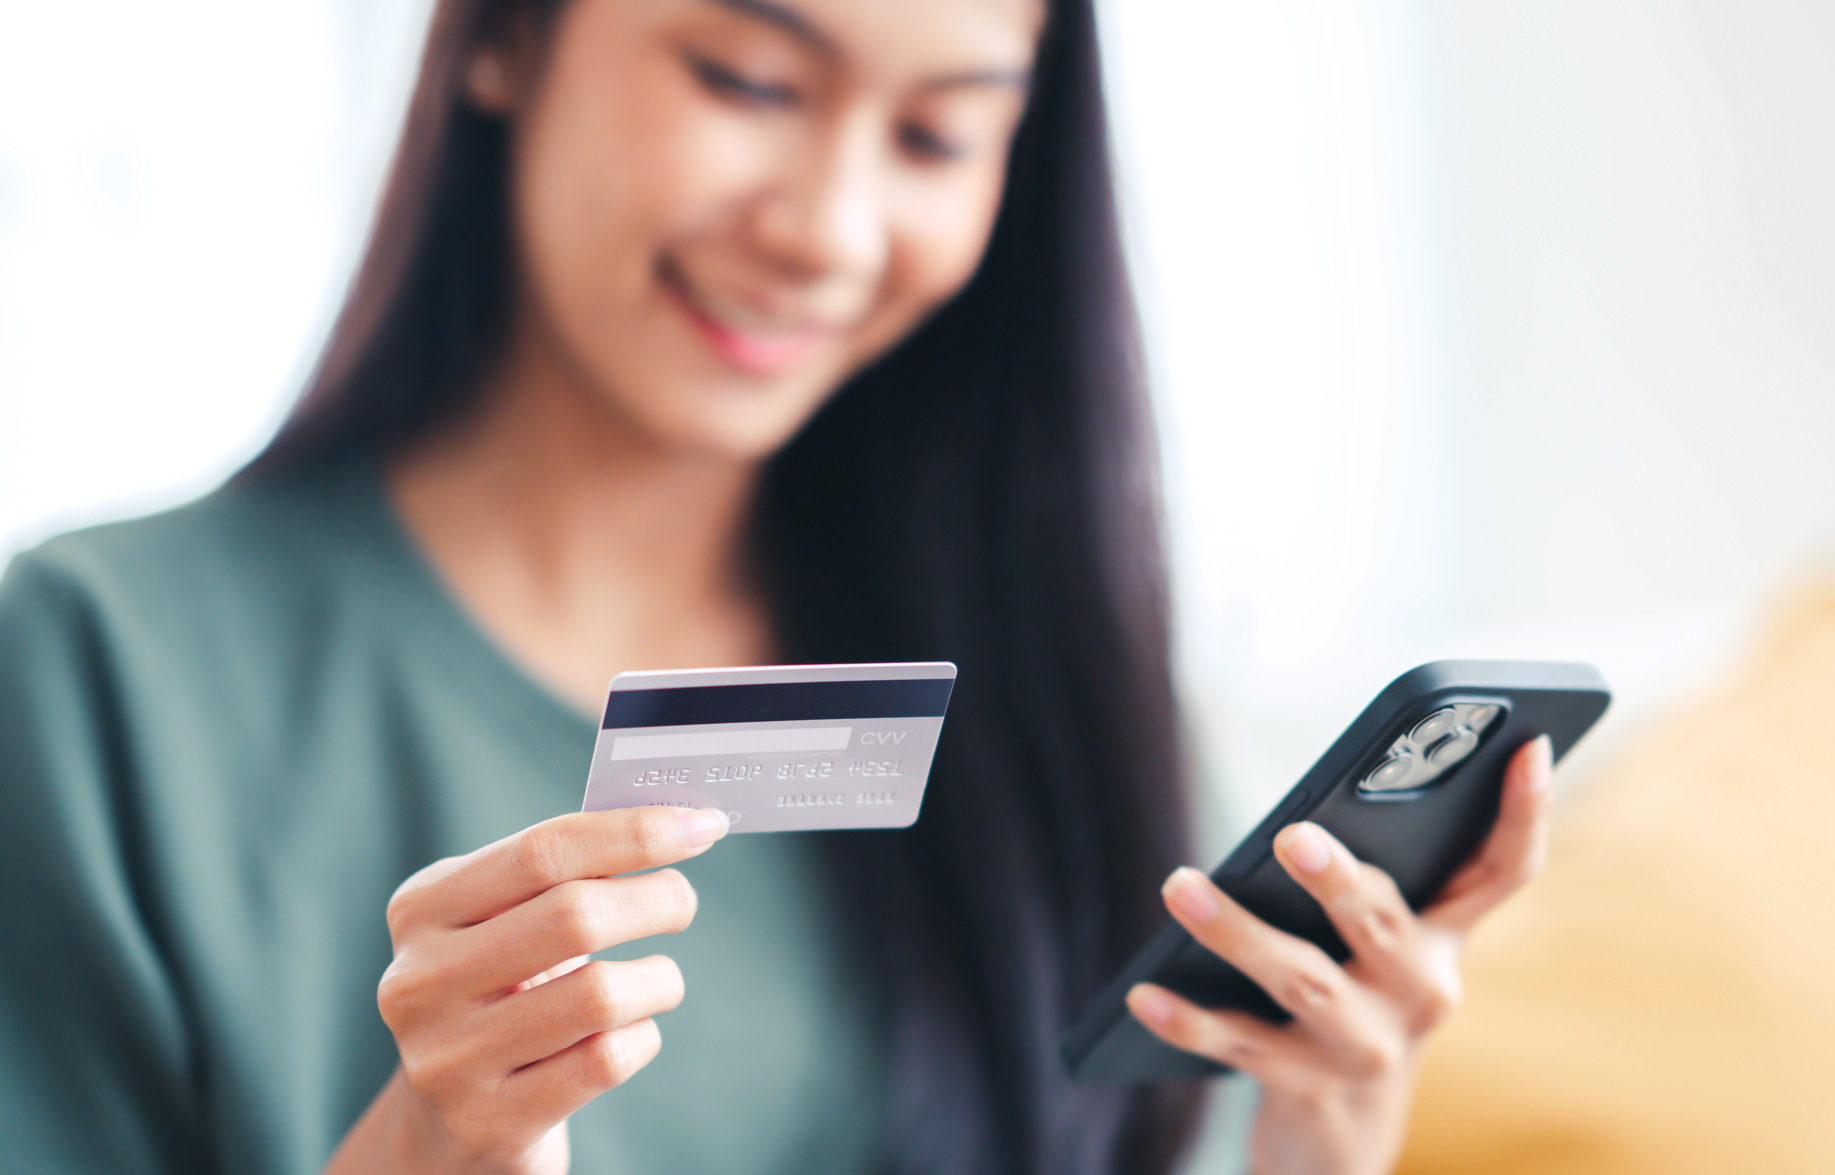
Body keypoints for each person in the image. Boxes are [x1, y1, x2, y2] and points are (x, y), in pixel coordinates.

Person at [0, 0, 1556, 1172]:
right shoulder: (101, 671)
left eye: (939, 135)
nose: (827, 229)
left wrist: (1319, 1143)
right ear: (502, 39)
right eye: (746, 80)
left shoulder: (1080, 723)